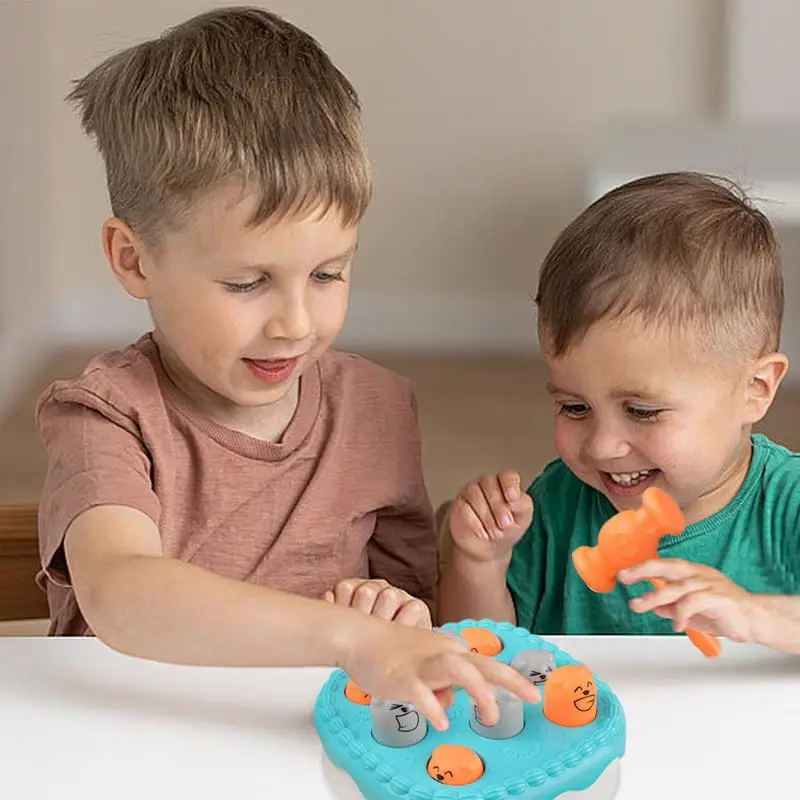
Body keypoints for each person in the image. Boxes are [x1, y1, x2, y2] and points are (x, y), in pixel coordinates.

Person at [33, 6, 541, 726]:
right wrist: (346, 634)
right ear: (133, 258)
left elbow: (414, 617)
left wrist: (394, 611)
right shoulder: (106, 416)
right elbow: (121, 592)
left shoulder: (377, 408)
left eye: (329, 274)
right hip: (133, 738)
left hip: (305, 739)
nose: (296, 324)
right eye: (247, 283)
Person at [438, 171, 800, 654]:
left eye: (643, 411)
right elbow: (479, 651)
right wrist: (479, 564)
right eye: (574, 406)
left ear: (755, 390)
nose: (602, 446)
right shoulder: (556, 505)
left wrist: (756, 615)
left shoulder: (787, 505)